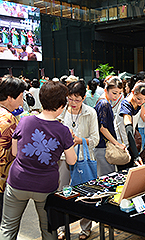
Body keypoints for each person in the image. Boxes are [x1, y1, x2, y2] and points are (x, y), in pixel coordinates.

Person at [0, 81, 77, 240]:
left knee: (7, 227)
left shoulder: (25, 121)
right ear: (61, 105)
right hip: (46, 187)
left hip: (18, 182)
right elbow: (72, 161)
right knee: (48, 228)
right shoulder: (63, 131)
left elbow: (14, 152)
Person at [57, 81, 99, 240]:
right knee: (61, 193)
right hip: (63, 158)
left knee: (85, 194)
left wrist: (79, 140)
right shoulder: (61, 112)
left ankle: (86, 228)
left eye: (77, 99)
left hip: (83, 159)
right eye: (70, 99)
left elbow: (95, 140)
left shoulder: (90, 113)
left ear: (84, 98)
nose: (73, 103)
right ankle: (61, 227)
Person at [0, 76, 26, 240]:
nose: (22, 101)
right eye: (21, 96)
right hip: (0, 180)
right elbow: (4, 153)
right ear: (10, 97)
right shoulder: (8, 119)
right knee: (5, 223)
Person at [94, 77, 126, 176]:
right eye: (114, 92)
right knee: (106, 178)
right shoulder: (104, 103)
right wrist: (117, 144)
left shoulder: (102, 101)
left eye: (120, 93)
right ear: (106, 90)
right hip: (103, 147)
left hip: (102, 146)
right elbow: (103, 128)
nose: (117, 96)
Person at [114, 83, 145, 168]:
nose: (141, 102)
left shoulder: (138, 104)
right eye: (139, 98)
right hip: (121, 145)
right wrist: (136, 155)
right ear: (133, 92)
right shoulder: (125, 105)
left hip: (130, 144)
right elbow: (128, 129)